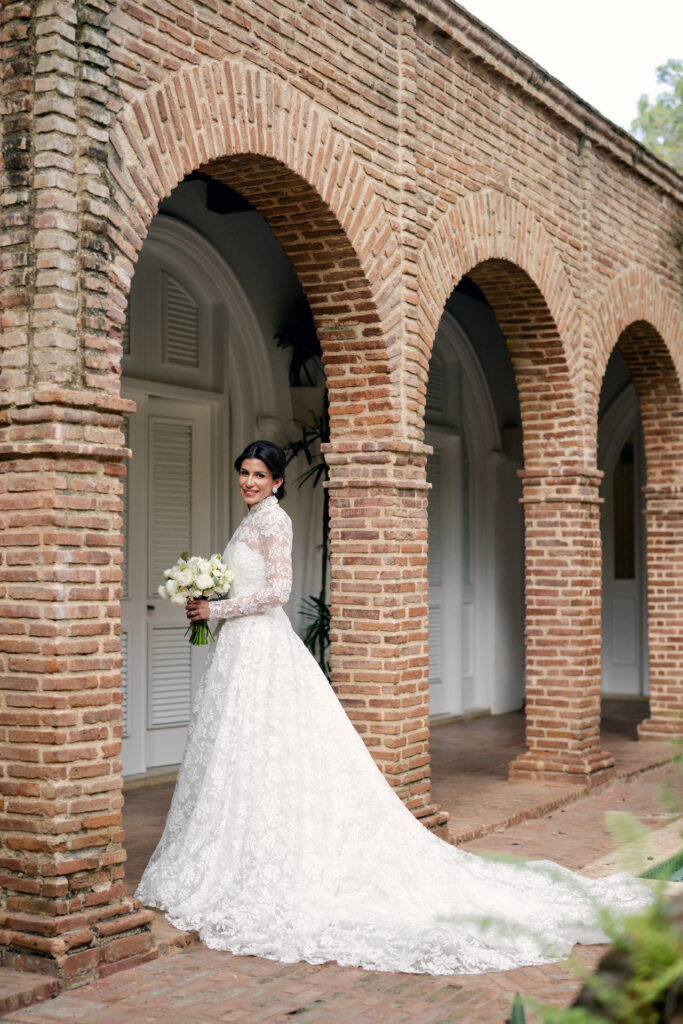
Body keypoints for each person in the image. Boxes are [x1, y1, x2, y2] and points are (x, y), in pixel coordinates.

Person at [135, 440, 652, 976]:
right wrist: (208, 613)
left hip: (264, 648)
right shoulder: (250, 521)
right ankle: (233, 852)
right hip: (239, 651)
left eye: (259, 474)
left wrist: (215, 604)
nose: (249, 481)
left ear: (278, 482)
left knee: (270, 746)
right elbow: (251, 586)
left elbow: (279, 593)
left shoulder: (275, 522)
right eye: (243, 472)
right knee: (238, 754)